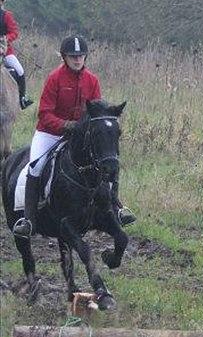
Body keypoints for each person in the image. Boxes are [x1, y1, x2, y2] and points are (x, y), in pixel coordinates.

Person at [12, 35, 136, 238]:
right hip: (50, 133)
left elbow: (96, 110)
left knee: (106, 161)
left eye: (81, 56)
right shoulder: (54, 78)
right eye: (73, 56)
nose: (78, 60)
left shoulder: (92, 80)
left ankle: (117, 207)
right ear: (64, 57)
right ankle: (28, 219)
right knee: (34, 166)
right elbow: (44, 113)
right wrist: (65, 125)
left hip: (79, 137)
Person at [0, 0, 33, 109]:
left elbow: (14, 32)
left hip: (5, 51)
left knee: (20, 71)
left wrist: (5, 39)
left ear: (1, 1)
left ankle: (22, 98)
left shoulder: (6, 15)